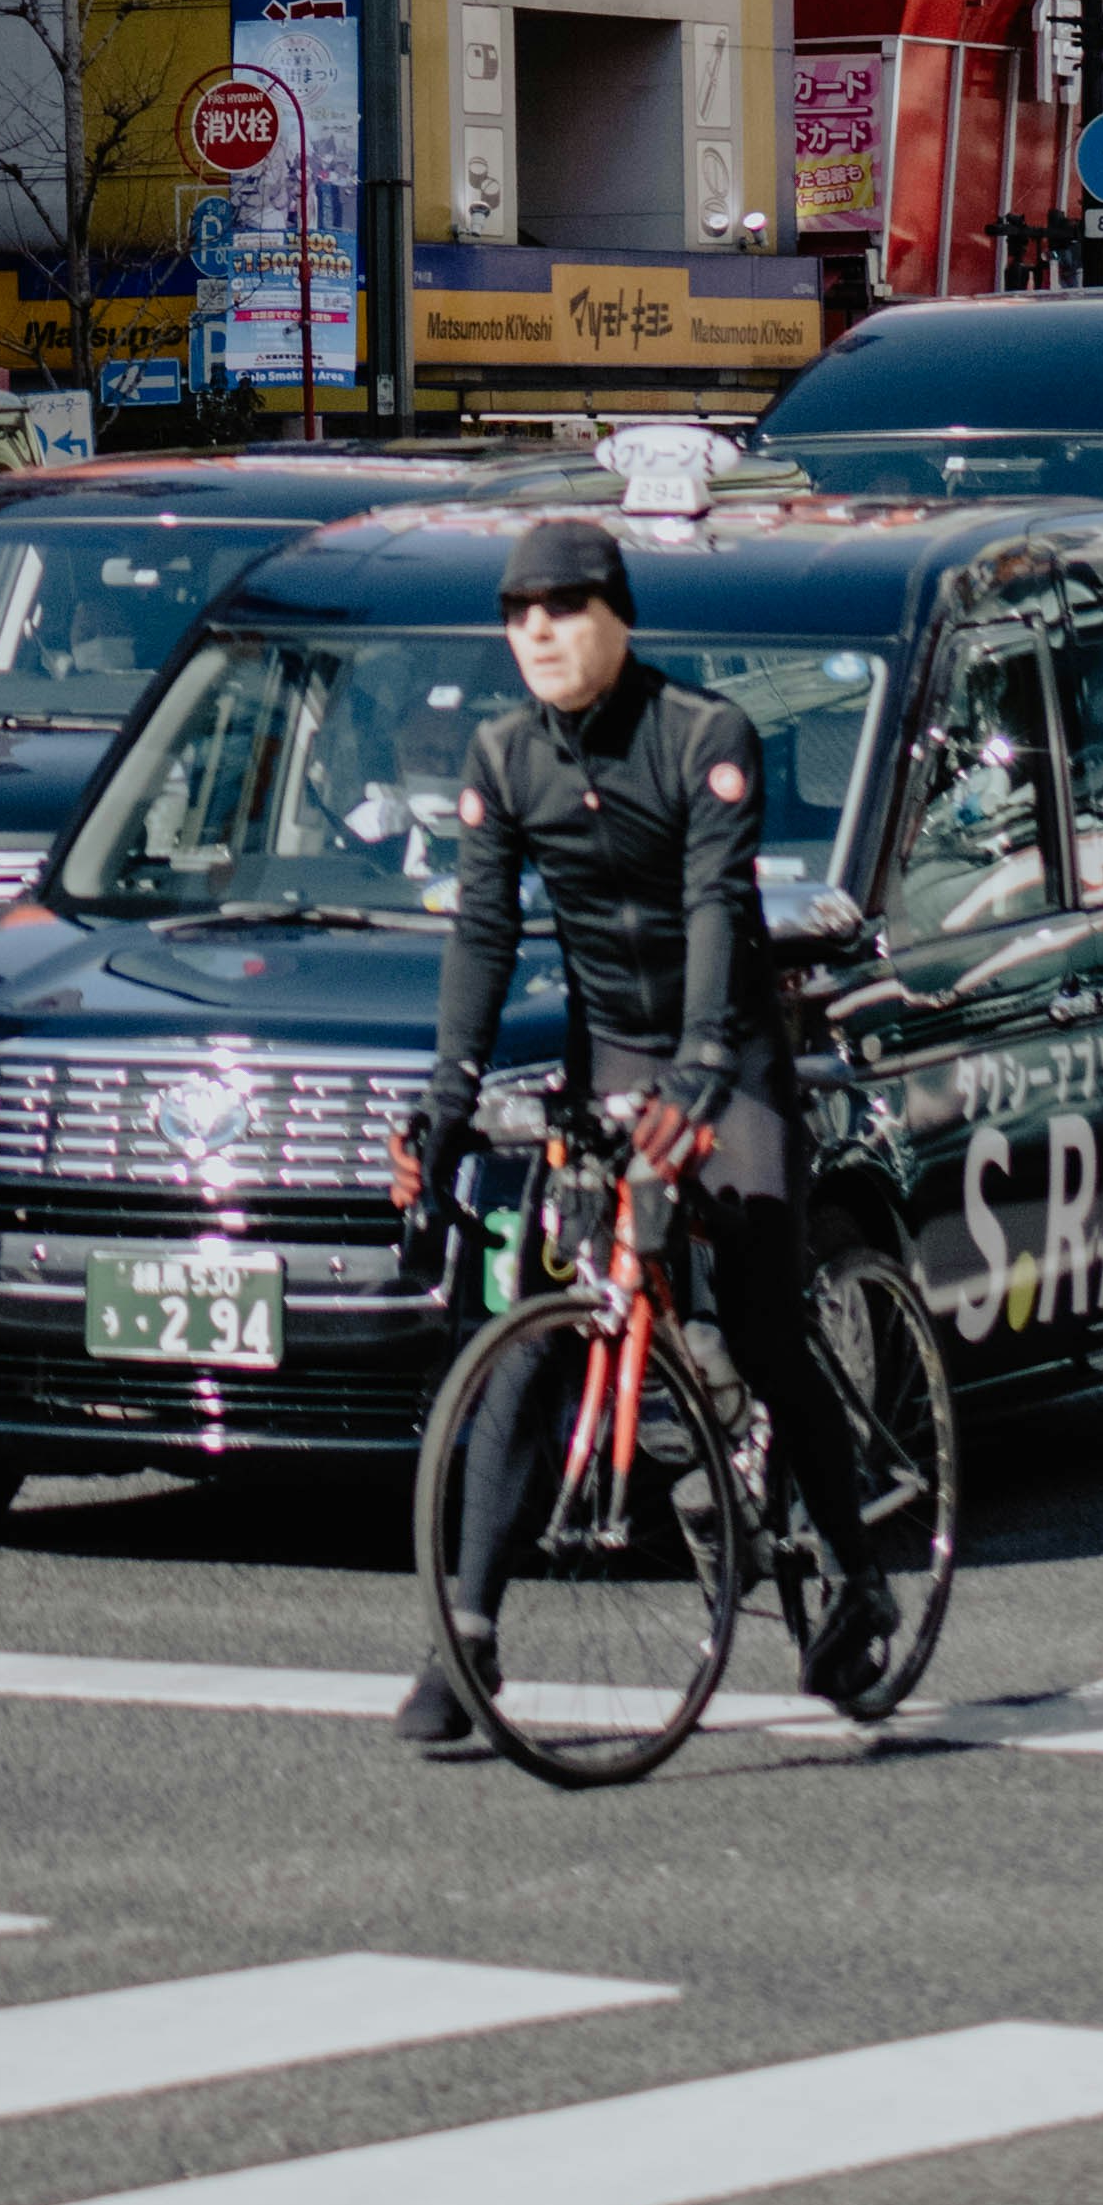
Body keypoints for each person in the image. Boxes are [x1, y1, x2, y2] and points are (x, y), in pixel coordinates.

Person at [392, 507, 889, 1748]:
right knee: (534, 1343)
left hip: (726, 1054)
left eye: (562, 608)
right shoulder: (504, 756)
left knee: (766, 1321)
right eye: (517, 613)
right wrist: (444, 1103)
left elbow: (722, 908)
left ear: (617, 617)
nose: (538, 632)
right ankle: (468, 1646)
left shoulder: (701, 734)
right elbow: (482, 934)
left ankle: (857, 1574)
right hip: (604, 1058)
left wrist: (704, 1073)